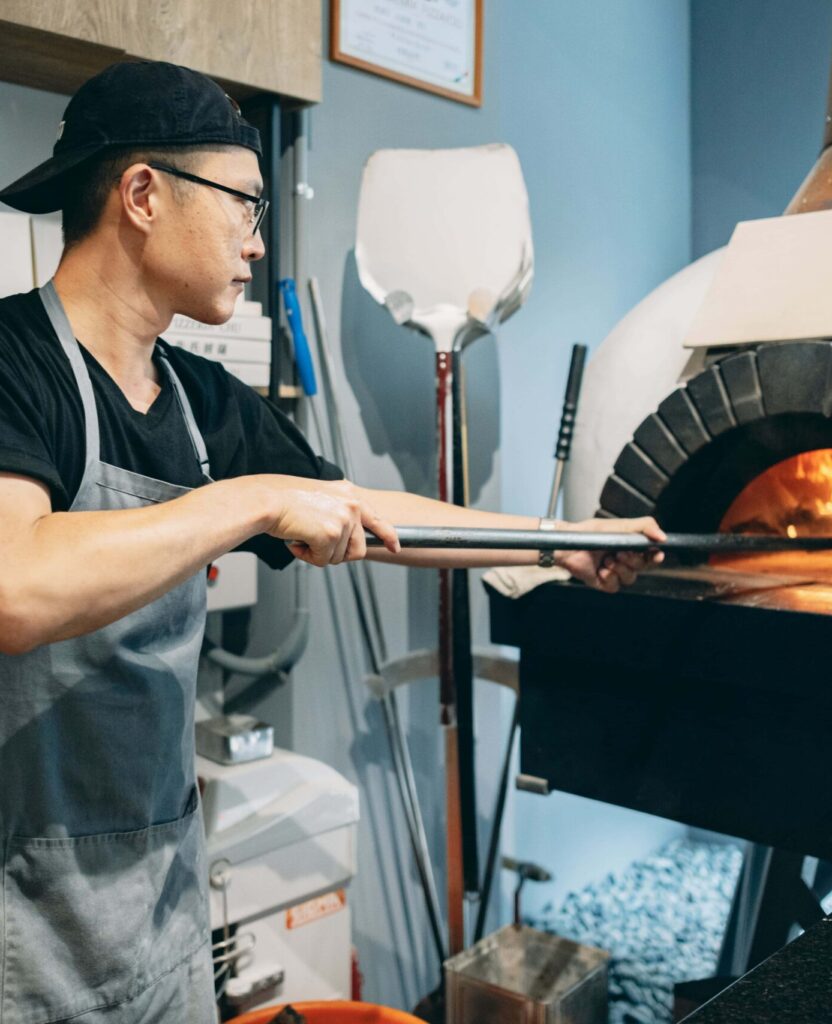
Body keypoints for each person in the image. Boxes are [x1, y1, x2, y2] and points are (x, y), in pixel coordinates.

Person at [0, 61, 664, 1023]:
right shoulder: (15, 362)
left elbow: (369, 514)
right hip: (21, 925)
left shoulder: (200, 402)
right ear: (142, 194)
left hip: (161, 905)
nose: (256, 241)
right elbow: (17, 588)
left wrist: (558, 540)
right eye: (243, 203)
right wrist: (256, 499)